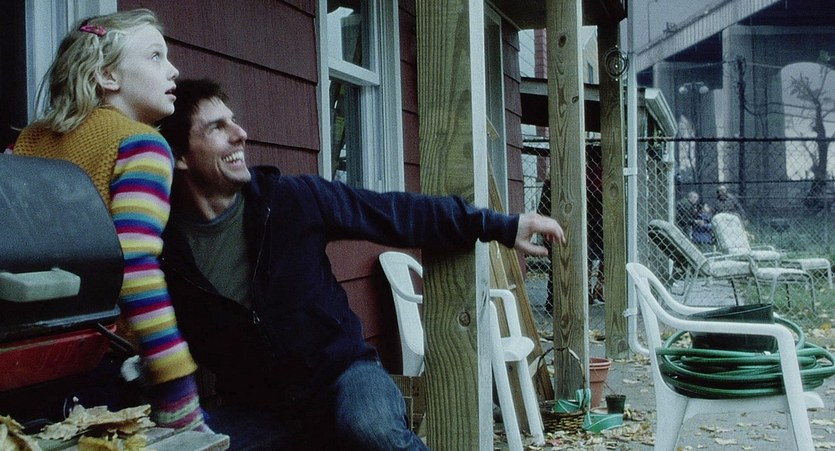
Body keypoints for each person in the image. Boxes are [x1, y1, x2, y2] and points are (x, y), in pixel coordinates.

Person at [157, 78, 566, 450]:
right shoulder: (163, 249)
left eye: (234, 120)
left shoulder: (290, 201)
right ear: (180, 157)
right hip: (260, 409)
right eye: (217, 127)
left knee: (371, 429)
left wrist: (501, 225)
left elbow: (393, 212)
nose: (240, 133)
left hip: (344, 375)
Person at [11, 10, 209, 432]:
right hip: (100, 366)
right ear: (107, 76)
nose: (173, 69)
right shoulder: (142, 145)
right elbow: (134, 265)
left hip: (24, 363)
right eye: (155, 56)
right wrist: (174, 380)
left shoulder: (28, 140)